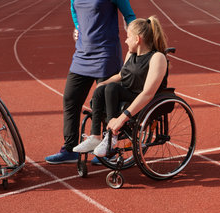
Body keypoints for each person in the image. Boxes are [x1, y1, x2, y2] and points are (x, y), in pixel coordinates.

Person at [45, 0, 136, 164]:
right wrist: (78, 27)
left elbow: (129, 16)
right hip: (82, 53)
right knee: (70, 98)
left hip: (105, 53)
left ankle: (107, 150)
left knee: (103, 101)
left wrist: (135, 39)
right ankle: (70, 148)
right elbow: (75, 11)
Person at [72, 16, 168, 157]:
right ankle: (95, 137)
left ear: (137, 39)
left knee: (112, 88)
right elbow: (121, 75)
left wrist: (121, 118)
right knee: (102, 88)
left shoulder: (157, 58)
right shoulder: (131, 54)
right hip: (128, 93)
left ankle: (112, 136)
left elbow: (148, 93)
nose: (125, 40)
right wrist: (102, 83)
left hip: (144, 98)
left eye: (128, 36)